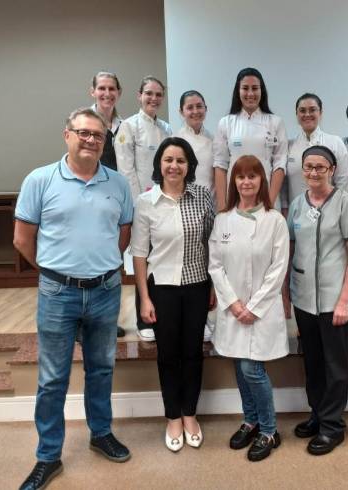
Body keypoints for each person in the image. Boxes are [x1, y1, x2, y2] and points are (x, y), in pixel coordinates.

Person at [14, 108, 133, 490]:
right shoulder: (40, 180)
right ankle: (48, 456)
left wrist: (98, 265)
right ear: (67, 135)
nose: (91, 140)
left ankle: (101, 434)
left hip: (105, 291)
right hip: (57, 294)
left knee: (102, 369)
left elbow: (123, 234)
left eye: (98, 135)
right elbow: (22, 239)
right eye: (83, 132)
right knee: (52, 379)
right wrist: (57, 270)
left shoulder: (118, 183)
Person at [130, 137, 215, 453]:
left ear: (189, 165)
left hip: (197, 285)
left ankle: (190, 414)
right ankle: (173, 417)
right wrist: (144, 298)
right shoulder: (146, 202)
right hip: (161, 288)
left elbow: (212, 244)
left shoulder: (202, 196)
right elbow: (139, 253)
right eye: (168, 160)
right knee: (167, 355)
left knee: (193, 353)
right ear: (159, 164)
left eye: (181, 160)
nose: (174, 166)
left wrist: (213, 286)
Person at [209, 155, 289, 462]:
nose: (246, 182)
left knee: (252, 369)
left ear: (261, 181)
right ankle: (251, 420)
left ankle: (269, 430)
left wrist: (253, 307)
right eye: (240, 176)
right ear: (234, 182)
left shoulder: (275, 221)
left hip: (261, 311)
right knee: (240, 368)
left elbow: (278, 269)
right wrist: (233, 303)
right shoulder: (223, 220)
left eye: (252, 176)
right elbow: (215, 266)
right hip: (233, 309)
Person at [287, 145, 348, 456]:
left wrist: (344, 301)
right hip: (304, 300)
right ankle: (318, 415)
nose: (314, 172)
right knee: (313, 363)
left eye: (320, 167)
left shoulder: (346, 203)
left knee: (335, 365)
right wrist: (287, 294)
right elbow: (292, 249)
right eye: (308, 166)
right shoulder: (297, 205)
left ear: (332, 170)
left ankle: (333, 426)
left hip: (335, 301)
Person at [115, 75, 172, 342]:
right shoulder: (128, 127)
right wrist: (141, 205)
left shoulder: (166, 128)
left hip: (166, 204)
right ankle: (143, 319)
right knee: (143, 261)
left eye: (158, 94)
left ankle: (164, 314)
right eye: (149, 93)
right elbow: (126, 170)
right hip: (142, 206)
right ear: (139, 95)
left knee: (163, 260)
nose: (154, 98)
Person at [213, 67, 288, 210]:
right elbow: (220, 165)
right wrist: (222, 206)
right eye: (245, 88)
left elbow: (280, 164)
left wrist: (270, 203)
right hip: (234, 199)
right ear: (238, 91)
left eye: (255, 88)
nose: (250, 93)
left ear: (262, 91)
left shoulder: (275, 122)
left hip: (267, 198)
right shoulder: (226, 123)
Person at [176, 90, 217, 342]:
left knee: (210, 262)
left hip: (210, 207)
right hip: (184, 208)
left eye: (199, 106)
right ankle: (185, 317)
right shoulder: (176, 140)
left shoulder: (214, 139)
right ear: (181, 111)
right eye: (189, 107)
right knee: (189, 265)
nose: (195, 111)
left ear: (206, 108)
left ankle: (207, 318)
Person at [89, 71, 126, 338]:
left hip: (116, 199)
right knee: (92, 260)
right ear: (93, 91)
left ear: (119, 93)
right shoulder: (84, 121)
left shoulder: (125, 125)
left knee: (114, 260)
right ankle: (87, 322)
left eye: (112, 89)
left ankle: (109, 321)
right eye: (102, 88)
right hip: (91, 199)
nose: (107, 93)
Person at [283, 93, 348, 211]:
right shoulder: (289, 146)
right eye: (302, 111)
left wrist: (337, 211)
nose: (307, 114)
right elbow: (284, 184)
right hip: (297, 212)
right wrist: (285, 208)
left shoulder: (335, 143)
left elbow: (342, 182)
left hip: (329, 212)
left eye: (312, 110)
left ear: (320, 113)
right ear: (297, 115)